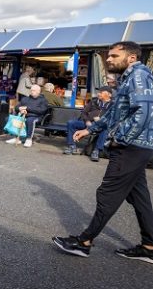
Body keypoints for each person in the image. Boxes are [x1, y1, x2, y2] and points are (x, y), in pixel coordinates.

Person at [53, 41, 153, 264]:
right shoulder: (128, 78)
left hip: (129, 148)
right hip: (137, 147)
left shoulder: (138, 75)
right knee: (140, 198)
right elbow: (114, 114)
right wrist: (90, 129)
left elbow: (143, 112)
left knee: (108, 194)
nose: (108, 59)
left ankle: (84, 242)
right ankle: (149, 246)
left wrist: (121, 138)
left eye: (114, 56)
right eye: (108, 56)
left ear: (132, 58)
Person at [63, 86, 112, 161]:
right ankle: (72, 146)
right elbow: (84, 113)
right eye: (98, 92)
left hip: (101, 125)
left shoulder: (113, 105)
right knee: (71, 123)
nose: (98, 94)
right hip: (88, 123)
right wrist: (87, 121)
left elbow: (112, 119)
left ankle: (96, 151)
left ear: (109, 94)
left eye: (101, 92)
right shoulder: (94, 101)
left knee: (105, 129)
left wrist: (101, 120)